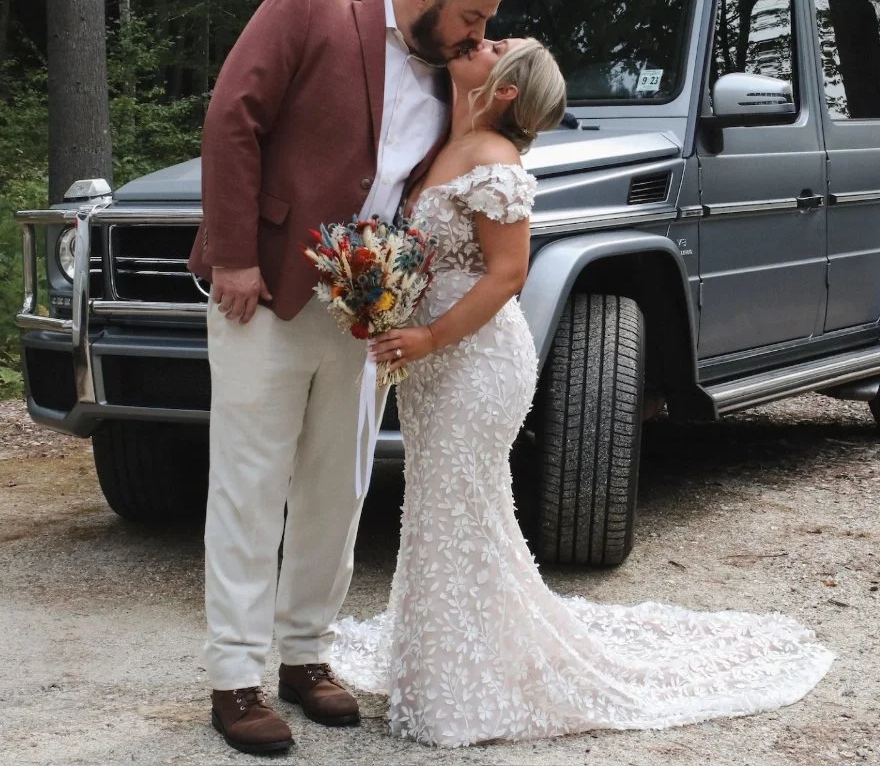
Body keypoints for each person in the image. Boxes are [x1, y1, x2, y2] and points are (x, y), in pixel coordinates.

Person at [330, 37, 835, 747]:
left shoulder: (496, 163)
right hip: (430, 364)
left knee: (455, 502)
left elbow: (506, 275)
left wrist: (428, 337)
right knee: (442, 507)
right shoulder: (440, 145)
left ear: (505, 88)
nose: (483, 40)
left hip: (474, 361)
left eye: (497, 44)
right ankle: (441, 663)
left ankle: (458, 688)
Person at [187, 0, 510, 755]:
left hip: (365, 307)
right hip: (260, 292)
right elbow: (233, 118)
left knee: (341, 485)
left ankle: (307, 657)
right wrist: (231, 255)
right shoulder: (313, 1)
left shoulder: (453, 66)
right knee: (251, 483)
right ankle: (234, 678)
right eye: (472, 18)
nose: (479, 38)